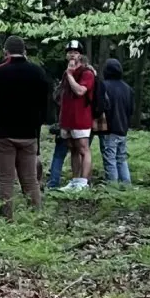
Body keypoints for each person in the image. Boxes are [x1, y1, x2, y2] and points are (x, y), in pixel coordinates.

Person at [0, 35, 48, 217]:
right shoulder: (38, 72)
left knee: (6, 179)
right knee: (30, 179)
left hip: (3, 133)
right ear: (24, 51)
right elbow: (45, 104)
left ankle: (6, 217)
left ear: (5, 52)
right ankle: (35, 214)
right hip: (29, 133)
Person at [57, 40, 95, 192]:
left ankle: (84, 182)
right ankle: (75, 180)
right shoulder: (66, 73)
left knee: (83, 148)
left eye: (75, 52)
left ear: (80, 55)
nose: (72, 54)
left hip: (81, 118)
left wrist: (70, 75)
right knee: (72, 148)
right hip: (68, 118)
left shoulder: (87, 73)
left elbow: (80, 91)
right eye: (70, 52)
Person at [101, 58, 134, 184]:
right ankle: (126, 184)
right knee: (121, 158)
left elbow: (101, 106)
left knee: (110, 158)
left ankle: (112, 186)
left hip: (110, 127)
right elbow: (131, 109)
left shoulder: (104, 86)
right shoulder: (128, 88)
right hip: (123, 128)